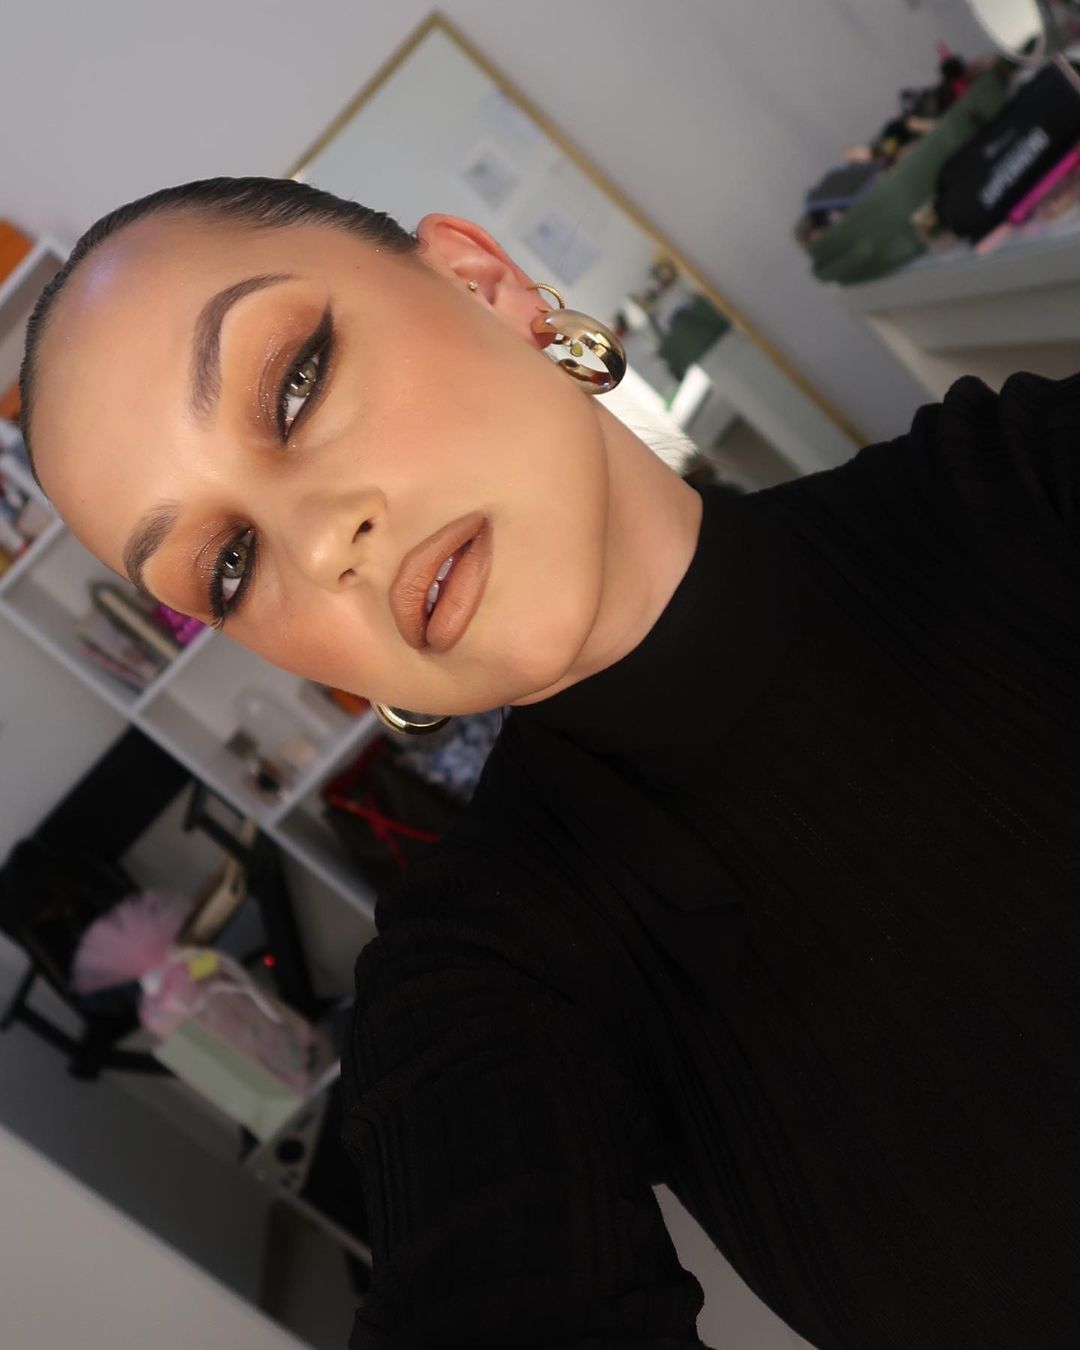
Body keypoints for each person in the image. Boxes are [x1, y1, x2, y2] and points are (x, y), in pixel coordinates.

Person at [19, 177, 1080, 1350]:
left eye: (296, 383)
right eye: (229, 566)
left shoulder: (1024, 482)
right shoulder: (474, 982)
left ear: (484, 284)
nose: (317, 545)